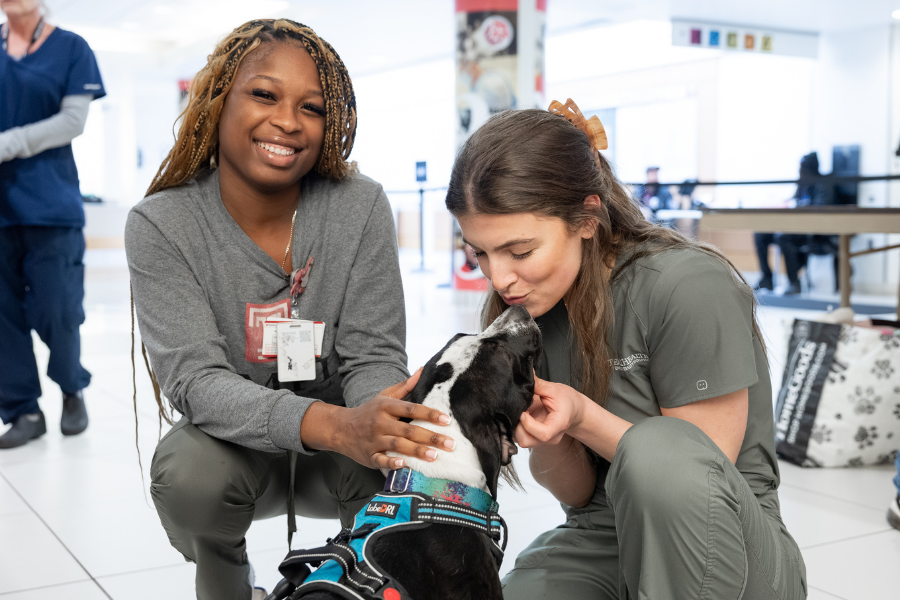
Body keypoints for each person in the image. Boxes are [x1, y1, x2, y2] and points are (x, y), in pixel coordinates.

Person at [125, 20, 455, 600]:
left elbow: (372, 354)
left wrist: (379, 419)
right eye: (263, 94)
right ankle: (229, 586)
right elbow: (196, 382)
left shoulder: (360, 204)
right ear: (217, 100)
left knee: (402, 450)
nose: (288, 121)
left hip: (341, 460)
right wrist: (331, 425)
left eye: (313, 107)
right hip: (235, 452)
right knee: (190, 478)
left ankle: (367, 580)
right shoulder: (162, 224)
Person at [446, 100, 806, 599]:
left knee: (661, 449)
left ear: (587, 218)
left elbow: (689, 477)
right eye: (479, 253)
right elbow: (577, 496)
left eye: (521, 251)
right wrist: (551, 432)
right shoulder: (530, 312)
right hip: (603, 536)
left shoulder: (687, 285)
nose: (499, 277)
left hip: (726, 545)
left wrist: (581, 416)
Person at [0, 0, 103, 448]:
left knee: (57, 309)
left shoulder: (71, 47)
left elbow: (73, 121)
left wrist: (10, 143)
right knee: (2, 316)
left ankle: (70, 387)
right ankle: (22, 410)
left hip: (50, 204)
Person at [754, 152, 834, 296]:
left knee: (783, 237)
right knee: (761, 234)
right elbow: (793, 201)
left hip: (814, 232)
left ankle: (794, 282)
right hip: (795, 227)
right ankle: (767, 279)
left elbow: (820, 211)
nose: (800, 171)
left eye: (803, 168)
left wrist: (800, 208)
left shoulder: (823, 185)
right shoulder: (802, 183)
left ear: (811, 169)